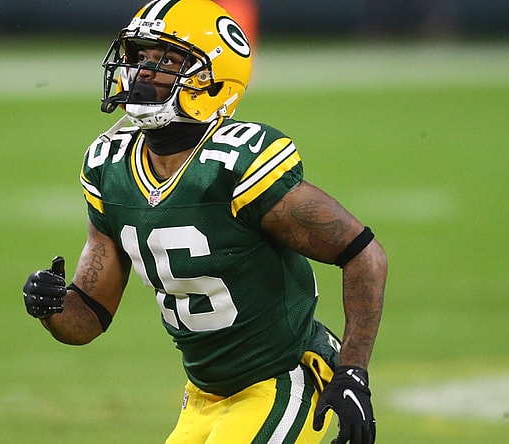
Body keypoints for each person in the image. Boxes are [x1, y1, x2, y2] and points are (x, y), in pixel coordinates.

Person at [22, 1, 387, 443]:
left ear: (213, 79)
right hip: (202, 395)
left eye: (168, 60)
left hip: (281, 380)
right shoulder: (109, 166)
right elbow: (90, 318)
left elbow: (364, 254)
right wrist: (53, 306)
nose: (144, 72)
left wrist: (353, 374)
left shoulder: (235, 166)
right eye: (140, 57)